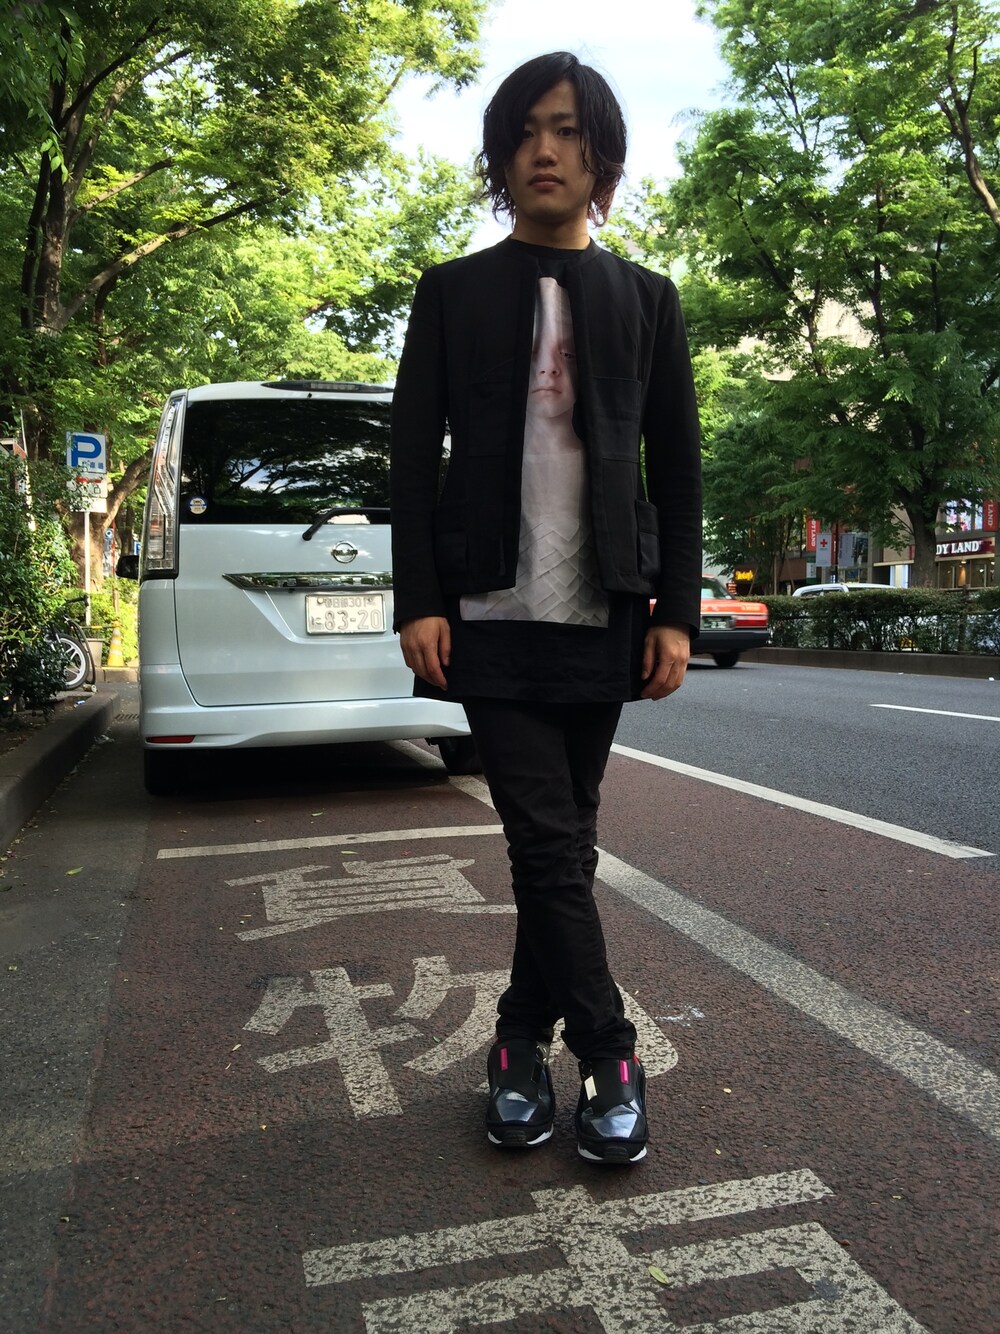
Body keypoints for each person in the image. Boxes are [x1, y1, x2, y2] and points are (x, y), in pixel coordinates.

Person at [390, 51, 702, 1164]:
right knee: (546, 840)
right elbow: (410, 459)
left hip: (604, 607)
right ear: (500, 156)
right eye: (524, 131)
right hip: (488, 605)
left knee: (562, 844)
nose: (544, 150)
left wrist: (676, 612)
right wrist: (419, 597)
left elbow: (679, 466)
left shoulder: (647, 299)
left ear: (600, 155)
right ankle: (612, 1052)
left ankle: (517, 1039)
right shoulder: (452, 292)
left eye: (567, 130)